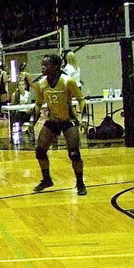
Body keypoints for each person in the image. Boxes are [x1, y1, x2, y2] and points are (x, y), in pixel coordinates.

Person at [32, 53, 87, 195]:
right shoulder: (41, 84)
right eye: (42, 64)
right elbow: (38, 104)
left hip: (68, 120)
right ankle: (47, 179)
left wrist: (83, 117)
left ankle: (80, 183)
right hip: (53, 121)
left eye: (46, 64)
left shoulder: (67, 81)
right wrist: (31, 122)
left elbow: (81, 99)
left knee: (74, 153)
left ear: (55, 66)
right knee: (40, 151)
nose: (43, 67)